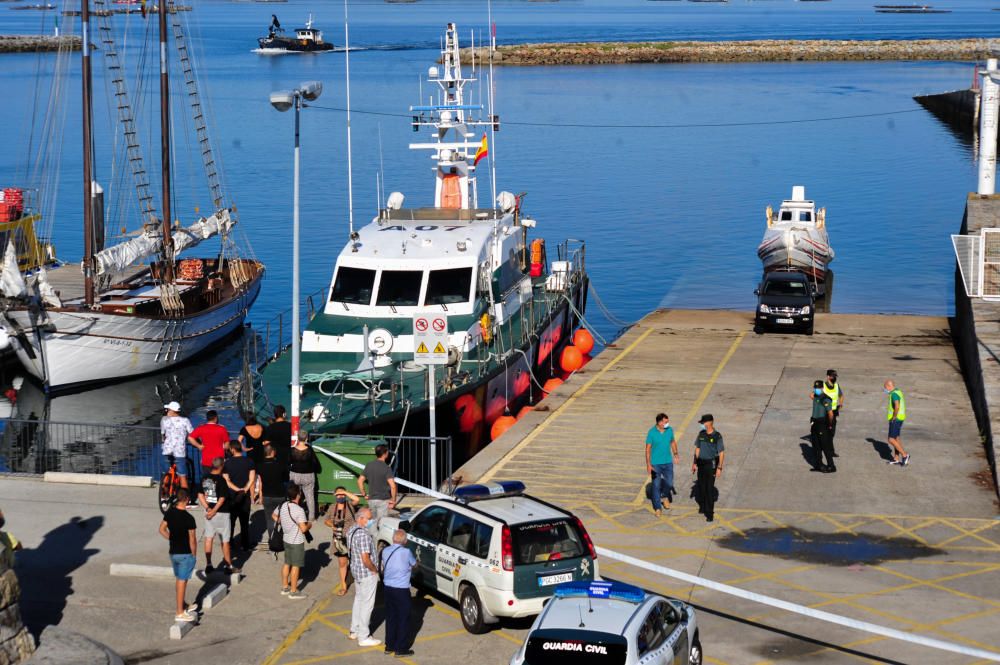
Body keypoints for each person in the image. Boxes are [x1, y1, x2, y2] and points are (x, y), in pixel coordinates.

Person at [159, 489, 198, 623]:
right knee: (182, 581)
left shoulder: (170, 512)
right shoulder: (189, 518)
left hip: (173, 553)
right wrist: (194, 554)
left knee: (179, 580)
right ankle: (179, 612)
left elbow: (161, 529)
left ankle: (183, 604)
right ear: (187, 499)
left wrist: (171, 538)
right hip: (185, 554)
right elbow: (192, 539)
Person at [347, 508, 381, 647]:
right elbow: (366, 559)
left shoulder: (351, 530)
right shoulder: (363, 535)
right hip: (366, 573)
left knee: (359, 600)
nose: (371, 520)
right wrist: (375, 570)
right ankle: (364, 636)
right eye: (369, 518)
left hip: (356, 571)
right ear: (360, 519)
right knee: (367, 605)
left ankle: (354, 630)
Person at [381, 529, 417, 657]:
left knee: (391, 617)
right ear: (405, 541)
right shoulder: (406, 552)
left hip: (387, 588)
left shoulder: (385, 551)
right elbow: (414, 564)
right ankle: (401, 648)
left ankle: (389, 646)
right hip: (401, 590)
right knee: (403, 618)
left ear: (393, 539)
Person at [273, 482, 311, 599]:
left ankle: (285, 587)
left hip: (286, 539)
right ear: (298, 495)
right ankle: (294, 591)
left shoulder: (283, 505)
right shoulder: (299, 510)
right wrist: (309, 525)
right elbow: (303, 528)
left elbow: (273, 516)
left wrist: (282, 521)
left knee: (287, 563)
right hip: (296, 541)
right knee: (295, 566)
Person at [198, 457, 235, 575]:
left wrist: (208, 509)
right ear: (221, 467)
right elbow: (222, 498)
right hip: (222, 513)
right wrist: (214, 510)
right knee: (225, 540)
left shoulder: (204, 478)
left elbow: (200, 495)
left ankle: (209, 564)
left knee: (209, 537)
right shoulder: (222, 480)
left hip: (208, 513)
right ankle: (228, 565)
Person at [323, 486, 361, 596]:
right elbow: (326, 520)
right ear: (334, 496)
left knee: (355, 561)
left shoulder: (349, 505)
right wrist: (332, 525)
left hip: (352, 538)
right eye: (338, 494)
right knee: (342, 562)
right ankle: (343, 586)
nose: (340, 496)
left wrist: (344, 492)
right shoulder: (332, 507)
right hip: (339, 538)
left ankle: (358, 579)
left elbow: (357, 499)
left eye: (342, 495)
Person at [690, 414, 724, 523]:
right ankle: (703, 506)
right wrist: (694, 463)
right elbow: (697, 449)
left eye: (703, 423)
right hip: (701, 464)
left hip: (711, 465)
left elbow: (721, 453)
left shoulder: (717, 436)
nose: (702, 425)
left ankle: (709, 513)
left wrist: (719, 468)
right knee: (701, 486)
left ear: (709, 423)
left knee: (709, 489)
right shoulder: (701, 434)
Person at [223, 439, 256, 552]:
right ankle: (245, 545)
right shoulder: (249, 461)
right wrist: (245, 489)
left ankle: (230, 543)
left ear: (232, 449)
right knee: (244, 522)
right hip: (245, 496)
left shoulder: (227, 463)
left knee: (231, 522)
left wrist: (237, 489)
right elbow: (252, 479)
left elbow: (227, 481)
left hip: (232, 496)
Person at [358, 444, 397, 537]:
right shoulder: (386, 468)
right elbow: (393, 486)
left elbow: (360, 481)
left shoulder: (369, 465)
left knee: (372, 523)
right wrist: (393, 500)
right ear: (385, 454)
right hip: (383, 500)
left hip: (371, 499)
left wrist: (364, 494)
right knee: (382, 524)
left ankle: (370, 542)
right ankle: (377, 545)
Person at [645, 412, 679, 516]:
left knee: (669, 483)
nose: (667, 423)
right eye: (665, 422)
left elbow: (672, 442)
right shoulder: (651, 432)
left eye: (667, 421)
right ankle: (657, 508)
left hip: (668, 462)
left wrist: (676, 454)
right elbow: (647, 450)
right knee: (656, 485)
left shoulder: (669, 430)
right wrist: (648, 464)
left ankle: (664, 496)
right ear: (660, 422)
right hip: (655, 465)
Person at [256, 444, 286, 555]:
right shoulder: (281, 465)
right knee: (281, 518)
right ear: (273, 452)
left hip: (267, 495)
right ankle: (282, 538)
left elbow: (260, 482)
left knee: (269, 519)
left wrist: (260, 496)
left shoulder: (259, 466)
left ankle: (272, 539)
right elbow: (285, 478)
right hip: (280, 494)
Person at [189, 410, 230, 481]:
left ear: (207, 418)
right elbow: (227, 444)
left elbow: (190, 437)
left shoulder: (201, 428)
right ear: (216, 418)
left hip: (206, 459)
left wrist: (199, 446)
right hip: (219, 460)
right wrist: (224, 448)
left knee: (207, 480)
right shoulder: (222, 429)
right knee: (220, 480)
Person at [160, 401, 193, 490]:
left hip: (167, 449)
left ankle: (164, 495)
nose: (167, 411)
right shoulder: (185, 421)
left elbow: (163, 433)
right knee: (182, 475)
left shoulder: (164, 420)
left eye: (168, 409)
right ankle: (185, 498)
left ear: (173, 411)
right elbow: (192, 433)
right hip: (179, 451)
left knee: (166, 473)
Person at [289, 433, 320, 520]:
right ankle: (311, 517)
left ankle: (294, 515)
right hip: (308, 475)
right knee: (309, 496)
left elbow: (288, 462)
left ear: (298, 439)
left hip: (295, 475)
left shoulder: (292, 450)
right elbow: (316, 464)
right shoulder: (310, 450)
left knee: (295, 495)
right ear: (306, 439)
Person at [810, 380, 836, 473]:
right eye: (815, 388)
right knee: (816, 445)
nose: (816, 389)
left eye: (818, 388)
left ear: (822, 388)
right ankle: (819, 465)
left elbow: (830, 414)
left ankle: (831, 466)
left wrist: (829, 424)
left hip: (822, 424)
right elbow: (811, 395)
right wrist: (814, 391)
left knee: (825, 446)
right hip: (814, 423)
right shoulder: (815, 396)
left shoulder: (825, 399)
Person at [884, 379, 910, 466]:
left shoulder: (894, 394)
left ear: (889, 386)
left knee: (891, 439)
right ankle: (896, 458)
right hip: (900, 418)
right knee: (896, 438)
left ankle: (905, 455)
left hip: (896, 419)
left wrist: (894, 417)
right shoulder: (898, 391)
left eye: (885, 387)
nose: (885, 389)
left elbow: (897, 406)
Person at [262, 406, 292, 478]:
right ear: (284, 414)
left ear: (275, 415)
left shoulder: (271, 427)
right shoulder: (290, 426)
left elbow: (265, 442)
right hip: (288, 454)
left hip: (276, 455)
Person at [822, 369, 845, 456]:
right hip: (825, 412)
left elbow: (841, 395)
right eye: (833, 376)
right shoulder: (823, 386)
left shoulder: (836, 386)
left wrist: (841, 404)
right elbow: (813, 396)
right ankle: (826, 450)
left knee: (831, 433)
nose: (834, 378)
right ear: (828, 376)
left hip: (834, 412)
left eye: (835, 376)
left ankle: (830, 451)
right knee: (825, 432)